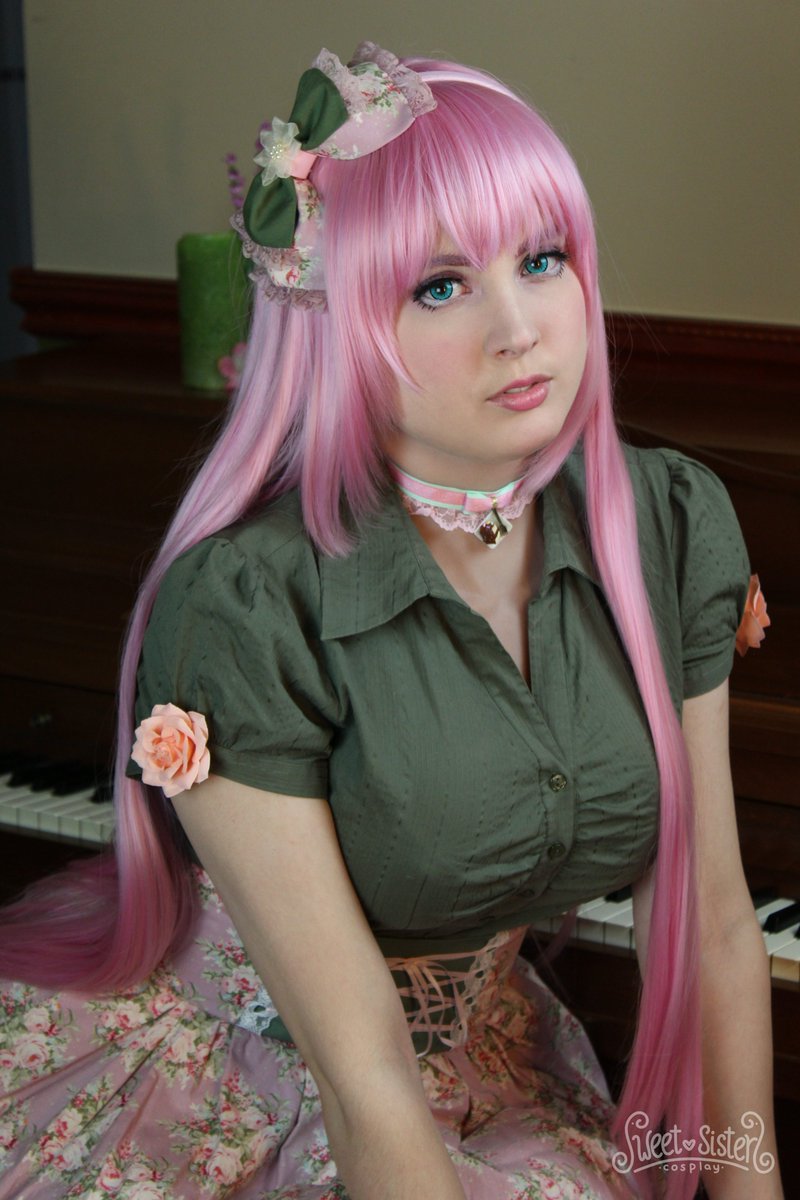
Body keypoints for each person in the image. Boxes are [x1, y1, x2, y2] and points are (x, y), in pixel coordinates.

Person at [0, 40, 783, 1200]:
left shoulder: (664, 519)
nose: (518, 330)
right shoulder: (246, 599)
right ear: (335, 316)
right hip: (266, 1079)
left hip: (478, 1060)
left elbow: (712, 925)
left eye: (542, 259)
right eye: (438, 286)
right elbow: (359, 1073)